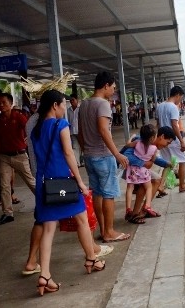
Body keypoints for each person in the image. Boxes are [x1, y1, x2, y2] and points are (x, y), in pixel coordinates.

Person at [31, 90, 105, 296]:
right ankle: (92, 258)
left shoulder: (35, 129)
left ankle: (44, 275)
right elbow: (68, 153)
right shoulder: (60, 125)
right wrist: (80, 182)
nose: (65, 108)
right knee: (82, 219)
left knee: (48, 230)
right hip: (63, 181)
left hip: (44, 184)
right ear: (55, 105)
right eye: (63, 104)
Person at [78, 72, 130, 243]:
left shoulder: (84, 104)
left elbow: (79, 132)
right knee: (109, 194)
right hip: (103, 156)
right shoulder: (103, 104)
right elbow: (103, 130)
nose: (113, 91)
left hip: (89, 156)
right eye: (113, 87)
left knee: (97, 193)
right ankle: (109, 231)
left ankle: (102, 230)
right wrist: (116, 153)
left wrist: (85, 149)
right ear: (106, 85)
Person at [0, 93, 36, 225]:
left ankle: (46, 202)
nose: (1, 105)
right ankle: (7, 213)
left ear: (10, 104)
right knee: (4, 185)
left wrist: (27, 141)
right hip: (4, 157)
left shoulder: (19, 117)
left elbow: (29, 131)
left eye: (4, 102)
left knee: (30, 182)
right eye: (0, 103)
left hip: (19, 155)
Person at [156, 86, 185, 193]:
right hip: (173, 139)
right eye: (180, 98)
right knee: (183, 161)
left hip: (163, 139)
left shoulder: (159, 106)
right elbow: (174, 124)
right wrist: (181, 141)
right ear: (177, 95)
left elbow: (158, 124)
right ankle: (182, 185)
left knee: (168, 162)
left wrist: (159, 139)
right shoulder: (173, 107)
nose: (180, 100)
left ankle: (161, 186)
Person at [123, 124, 163, 224]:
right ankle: (147, 205)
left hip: (132, 170)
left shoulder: (137, 143)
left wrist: (132, 137)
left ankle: (128, 208)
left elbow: (127, 145)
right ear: (153, 137)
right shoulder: (154, 149)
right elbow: (152, 161)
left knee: (129, 188)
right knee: (148, 187)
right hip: (143, 170)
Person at [66, 95, 82, 167]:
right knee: (75, 147)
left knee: (82, 146)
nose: (71, 102)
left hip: (80, 132)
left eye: (73, 100)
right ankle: (77, 163)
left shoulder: (81, 109)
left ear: (77, 100)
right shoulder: (68, 110)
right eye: (70, 100)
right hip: (72, 132)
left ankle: (82, 161)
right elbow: (68, 121)